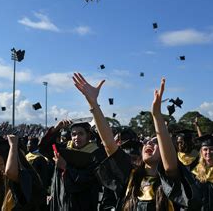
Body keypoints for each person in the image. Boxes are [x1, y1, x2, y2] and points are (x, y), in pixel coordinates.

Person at [73, 73, 199, 210]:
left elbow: (170, 166)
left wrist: (157, 116)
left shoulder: (170, 181)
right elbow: (109, 143)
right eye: (147, 142)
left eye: (155, 142)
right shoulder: (131, 176)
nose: (149, 144)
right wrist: (93, 104)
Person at [0, 135, 45, 210]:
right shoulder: (8, 180)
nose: (0, 168)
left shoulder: (26, 176)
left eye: (2, 164)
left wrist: (13, 146)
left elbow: (9, 172)